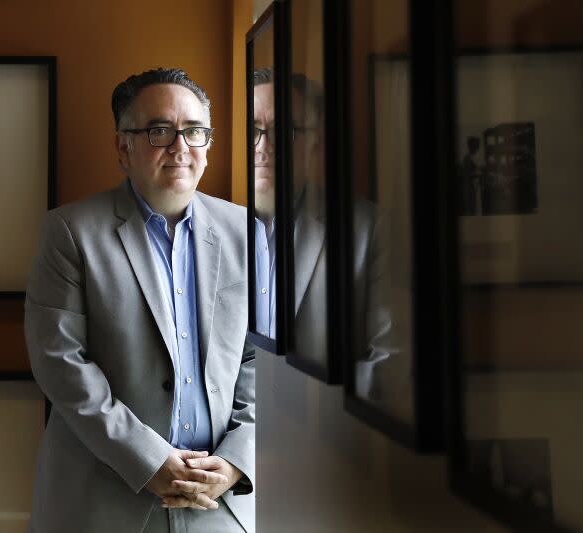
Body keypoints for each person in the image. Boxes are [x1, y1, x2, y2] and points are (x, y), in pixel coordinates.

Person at [25, 68, 254, 533]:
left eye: (194, 131)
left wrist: (236, 461)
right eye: (159, 131)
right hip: (104, 501)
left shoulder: (247, 232)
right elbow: (60, 362)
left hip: (222, 504)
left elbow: (264, 360)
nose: (180, 146)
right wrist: (150, 461)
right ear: (123, 146)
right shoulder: (71, 232)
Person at [252, 69, 393, 399]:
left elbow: (391, 363)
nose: (263, 147)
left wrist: (302, 406)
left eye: (283, 130)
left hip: (325, 438)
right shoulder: (213, 230)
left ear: (316, 141)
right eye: (252, 130)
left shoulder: (370, 229)